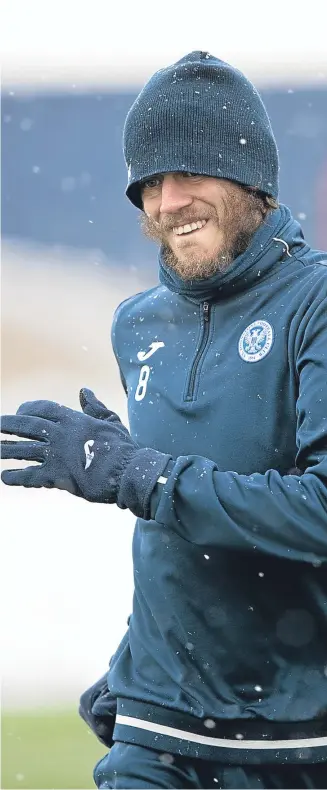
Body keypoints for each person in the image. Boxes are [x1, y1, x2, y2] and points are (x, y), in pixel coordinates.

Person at [1, 50, 327, 789]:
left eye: (188, 174)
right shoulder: (138, 324)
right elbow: (171, 528)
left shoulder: (316, 306)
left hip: (293, 737)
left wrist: (140, 475)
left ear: (253, 183)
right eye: (148, 182)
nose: (165, 201)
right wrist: (132, 660)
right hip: (157, 726)